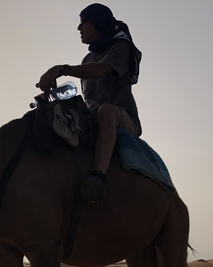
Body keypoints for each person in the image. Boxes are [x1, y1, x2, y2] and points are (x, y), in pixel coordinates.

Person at [37, 3, 142, 202]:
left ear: (97, 23)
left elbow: (100, 71)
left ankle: (98, 177)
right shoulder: (87, 59)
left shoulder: (121, 47)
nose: (79, 28)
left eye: (83, 22)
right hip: (95, 115)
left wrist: (62, 69)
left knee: (106, 111)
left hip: (122, 118)